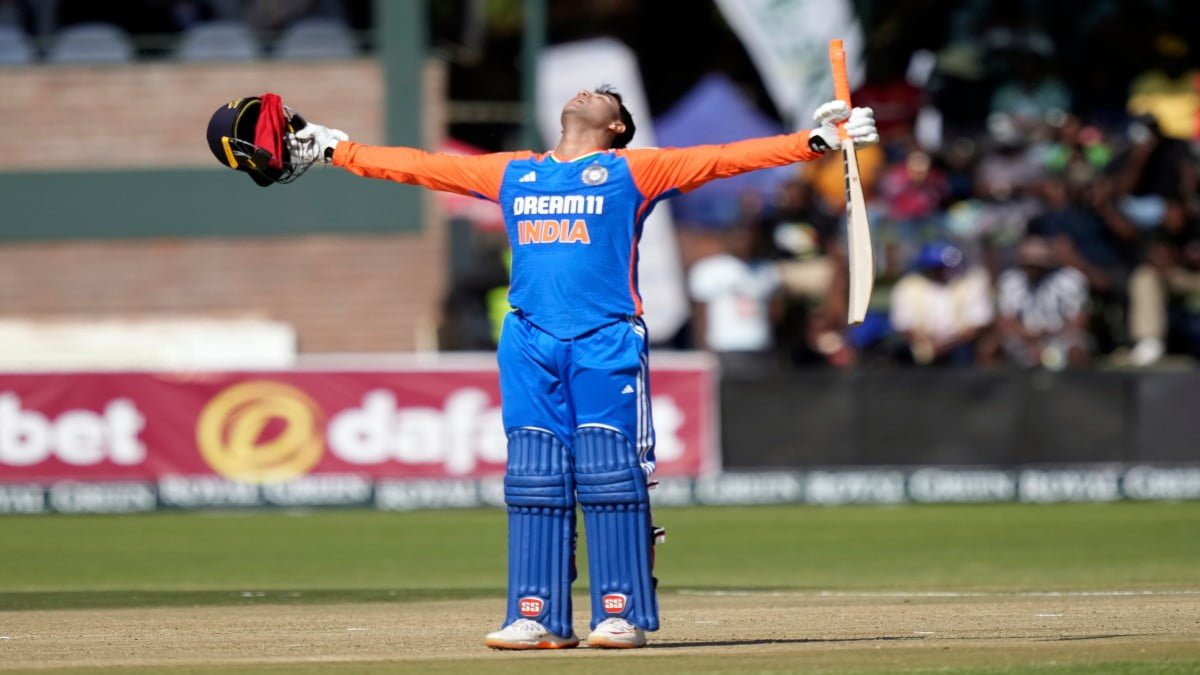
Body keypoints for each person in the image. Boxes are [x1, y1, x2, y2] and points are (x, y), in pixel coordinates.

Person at [286, 87, 878, 650]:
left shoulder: (634, 169)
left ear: (617, 127)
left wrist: (817, 141)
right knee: (534, 476)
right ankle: (534, 615)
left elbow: (724, 159)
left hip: (605, 337)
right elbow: (422, 167)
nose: (585, 93)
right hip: (528, 337)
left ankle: (620, 613)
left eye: (603, 96)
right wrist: (336, 148)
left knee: (609, 472)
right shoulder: (515, 170)